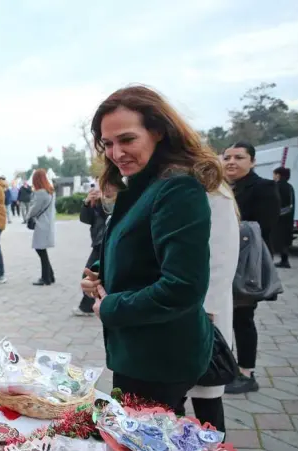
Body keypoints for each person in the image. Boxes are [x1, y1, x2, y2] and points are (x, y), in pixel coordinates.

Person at [81, 85, 223, 410]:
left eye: (127, 140)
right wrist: (98, 277)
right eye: (108, 144)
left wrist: (111, 308)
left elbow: (183, 287)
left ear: (158, 132)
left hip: (160, 358)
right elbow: (143, 251)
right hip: (138, 352)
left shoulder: (177, 189)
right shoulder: (145, 186)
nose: (116, 154)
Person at [179, 182, 240, 434]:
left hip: (202, 314)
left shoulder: (214, 191)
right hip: (176, 311)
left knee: (207, 395)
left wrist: (207, 311)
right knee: (170, 399)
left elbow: (222, 257)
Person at [222, 141, 280, 394]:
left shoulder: (264, 188)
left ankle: (247, 373)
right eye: (227, 157)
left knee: (243, 319)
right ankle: (226, 367)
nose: (232, 162)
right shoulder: (220, 188)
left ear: (252, 162)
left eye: (239, 157)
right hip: (222, 262)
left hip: (247, 265)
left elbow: (264, 227)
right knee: (224, 317)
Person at [73, 185, 112, 315]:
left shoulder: (112, 201)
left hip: (104, 242)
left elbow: (108, 216)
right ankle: (90, 305)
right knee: (93, 273)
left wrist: (103, 200)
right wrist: (86, 202)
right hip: (98, 242)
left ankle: (87, 306)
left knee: (90, 273)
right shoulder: (99, 201)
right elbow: (86, 219)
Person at [26, 169, 56, 286]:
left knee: (40, 250)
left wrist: (28, 216)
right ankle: (50, 276)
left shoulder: (41, 193)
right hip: (48, 224)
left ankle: (46, 278)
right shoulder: (50, 192)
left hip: (41, 225)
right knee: (42, 251)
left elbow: (34, 208)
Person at [273, 166, 295, 268]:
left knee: (275, 239)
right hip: (288, 218)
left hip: (278, 217)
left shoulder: (277, 186)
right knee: (284, 240)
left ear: (278, 175)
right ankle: (284, 260)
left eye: (274, 174)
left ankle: (277, 261)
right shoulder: (290, 186)